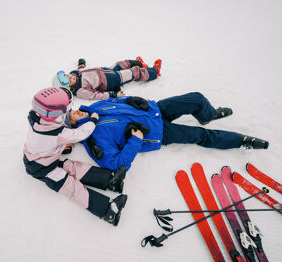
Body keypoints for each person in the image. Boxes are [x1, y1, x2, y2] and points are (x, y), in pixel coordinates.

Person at [66, 92, 269, 171]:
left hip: (154, 109)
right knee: (200, 135)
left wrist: (129, 100)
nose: (76, 112)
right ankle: (241, 140)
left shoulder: (93, 108)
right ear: (75, 128)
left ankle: (208, 115)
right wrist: (135, 140)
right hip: (158, 132)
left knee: (196, 99)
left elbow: (114, 101)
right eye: (73, 117)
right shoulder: (94, 140)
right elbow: (116, 164)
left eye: (73, 110)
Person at [23, 87, 128, 226]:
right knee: (71, 186)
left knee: (72, 167)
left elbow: (47, 141)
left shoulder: (38, 120)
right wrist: (93, 120)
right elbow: (80, 134)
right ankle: (108, 211)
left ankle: (110, 180)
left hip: (44, 159)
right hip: (41, 168)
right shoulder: (56, 133)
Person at [52, 57, 162, 100]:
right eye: (70, 80)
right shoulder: (80, 90)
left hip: (107, 70)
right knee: (133, 73)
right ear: (69, 87)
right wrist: (113, 95)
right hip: (111, 81)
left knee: (122, 64)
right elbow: (96, 95)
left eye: (67, 75)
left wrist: (81, 64)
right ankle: (154, 72)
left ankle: (140, 64)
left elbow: (81, 69)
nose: (71, 76)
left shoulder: (74, 73)